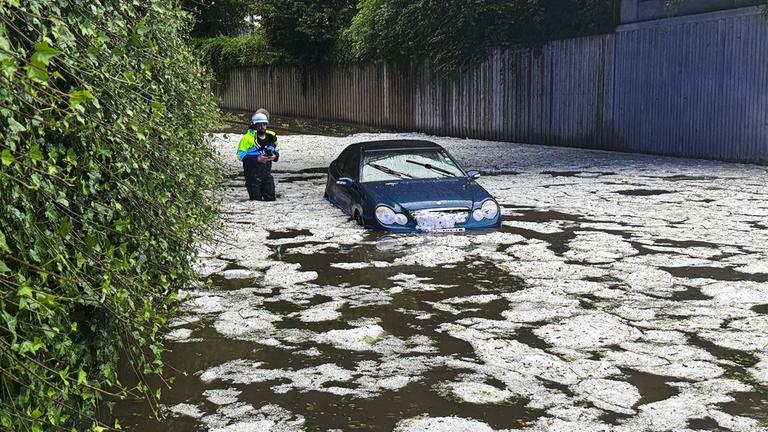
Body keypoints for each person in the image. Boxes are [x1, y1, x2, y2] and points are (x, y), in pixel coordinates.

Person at [237, 112, 280, 201]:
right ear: (254, 125)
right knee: (256, 201)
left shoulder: (272, 136)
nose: (262, 127)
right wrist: (257, 159)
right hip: (252, 176)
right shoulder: (247, 138)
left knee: (271, 200)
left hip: (267, 175)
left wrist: (275, 156)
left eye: (264, 124)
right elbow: (240, 155)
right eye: (259, 125)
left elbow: (276, 149)